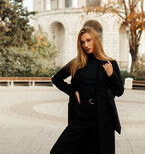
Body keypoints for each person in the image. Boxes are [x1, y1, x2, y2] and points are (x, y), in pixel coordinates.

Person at [50, 26, 124, 154]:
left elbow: (119, 91)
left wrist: (111, 75)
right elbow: (56, 78)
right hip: (81, 117)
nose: (86, 45)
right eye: (82, 42)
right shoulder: (76, 63)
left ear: (95, 40)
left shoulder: (109, 63)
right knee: (58, 151)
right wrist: (72, 91)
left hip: (102, 119)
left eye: (89, 40)